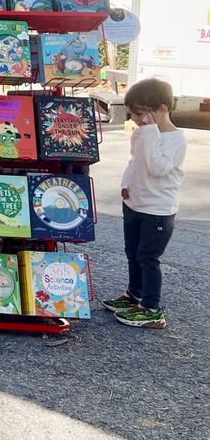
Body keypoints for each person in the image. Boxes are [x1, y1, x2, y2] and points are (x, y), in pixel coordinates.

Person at [102, 78, 187, 329]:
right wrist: (125, 185)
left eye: (140, 113)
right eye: (132, 114)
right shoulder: (141, 133)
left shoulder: (176, 140)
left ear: (162, 109)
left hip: (157, 210)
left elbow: (157, 167)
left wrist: (149, 132)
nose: (135, 119)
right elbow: (135, 162)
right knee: (132, 252)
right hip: (135, 204)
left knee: (148, 258)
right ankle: (134, 294)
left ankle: (152, 309)